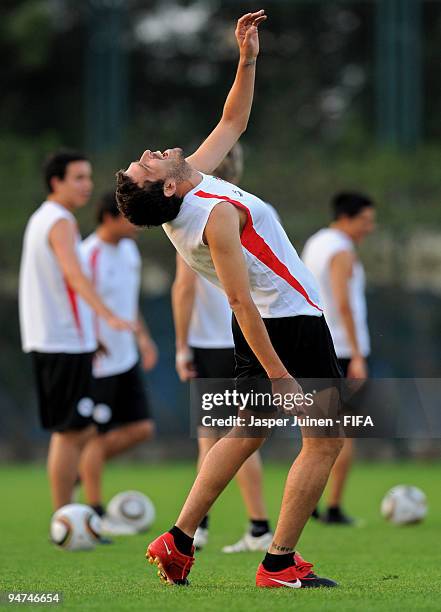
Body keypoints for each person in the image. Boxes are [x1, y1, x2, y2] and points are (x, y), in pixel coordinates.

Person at [116, 10, 342, 589]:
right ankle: (278, 562)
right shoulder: (209, 214)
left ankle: (178, 540)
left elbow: (234, 120)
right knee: (326, 440)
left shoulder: (193, 181)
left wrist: (246, 58)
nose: (149, 152)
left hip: (269, 324)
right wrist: (282, 378)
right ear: (165, 186)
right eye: (146, 164)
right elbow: (241, 303)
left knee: (245, 432)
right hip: (285, 324)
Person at [19, 150, 133, 512]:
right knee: (72, 433)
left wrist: (92, 333)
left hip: (66, 339)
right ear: (57, 182)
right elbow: (74, 275)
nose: (87, 185)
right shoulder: (60, 221)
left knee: (78, 431)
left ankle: (68, 514)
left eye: (88, 177)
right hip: (62, 342)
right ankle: (64, 519)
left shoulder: (45, 219)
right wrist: (107, 316)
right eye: (79, 178)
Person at [172, 146, 273, 553]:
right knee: (244, 431)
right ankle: (245, 526)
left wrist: (181, 346)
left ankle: (215, 527)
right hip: (249, 334)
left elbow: (184, 287)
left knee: (215, 437)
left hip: (211, 340)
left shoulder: (194, 212)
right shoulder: (255, 209)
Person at [79, 192, 158, 534]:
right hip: (99, 361)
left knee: (142, 428)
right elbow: (79, 301)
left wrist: (143, 338)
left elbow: (128, 302)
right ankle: (95, 513)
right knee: (96, 435)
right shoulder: (88, 253)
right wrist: (87, 339)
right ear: (109, 218)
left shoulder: (129, 250)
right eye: (129, 218)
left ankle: (80, 468)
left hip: (125, 356)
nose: (137, 225)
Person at [302, 192, 376, 524]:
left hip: (315, 345)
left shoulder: (316, 243)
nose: (369, 228)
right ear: (346, 218)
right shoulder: (341, 250)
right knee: (342, 431)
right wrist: (358, 355)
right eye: (365, 221)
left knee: (316, 433)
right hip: (343, 350)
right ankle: (332, 507)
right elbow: (343, 304)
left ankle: (309, 505)